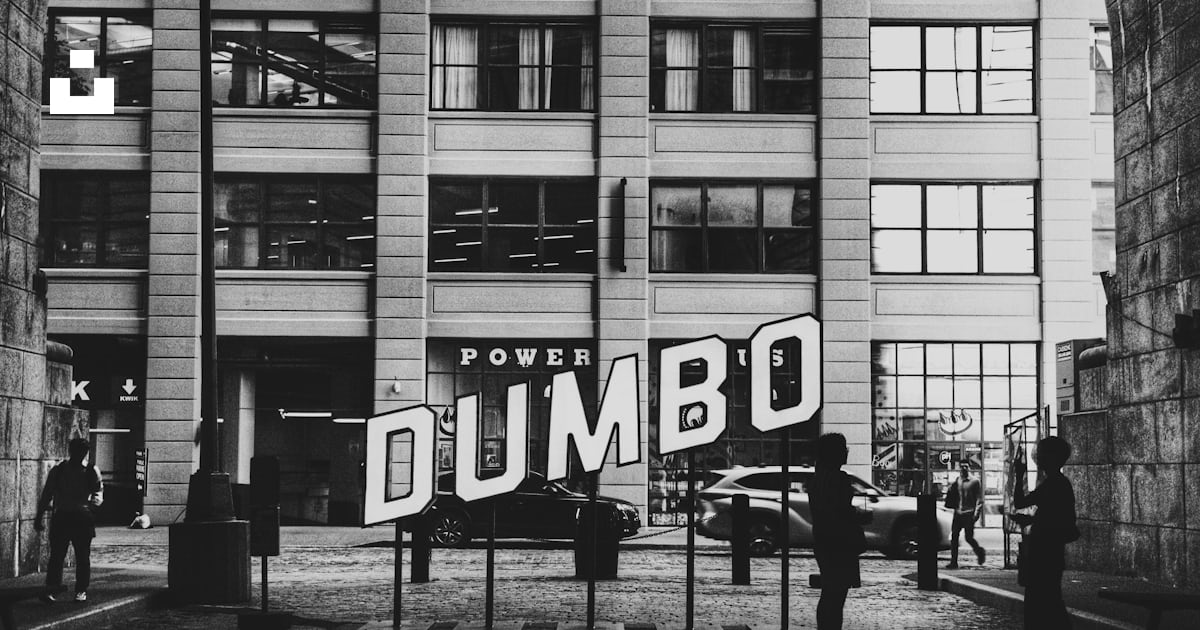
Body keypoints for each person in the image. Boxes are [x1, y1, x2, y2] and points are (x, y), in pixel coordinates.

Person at [1011, 436, 1078, 630]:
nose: (1038, 459)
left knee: (1040, 601)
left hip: (1044, 551)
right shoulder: (1058, 483)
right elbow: (1055, 515)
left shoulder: (1054, 484)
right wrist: (1032, 520)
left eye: (1041, 455)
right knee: (1050, 600)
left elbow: (1020, 502)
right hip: (1050, 550)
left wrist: (1019, 475)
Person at [808, 433, 868, 630]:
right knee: (836, 595)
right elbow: (841, 511)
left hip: (824, 540)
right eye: (844, 448)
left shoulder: (818, 479)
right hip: (841, 544)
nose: (847, 452)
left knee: (829, 593)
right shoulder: (838, 479)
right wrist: (859, 516)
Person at [34, 437, 104, 603]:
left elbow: (47, 495)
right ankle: (73, 589)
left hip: (68, 514)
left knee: (69, 555)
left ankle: (70, 588)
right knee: (68, 555)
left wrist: (39, 515)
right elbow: (99, 493)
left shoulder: (63, 470)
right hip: (74, 514)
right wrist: (92, 506)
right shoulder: (88, 470)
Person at [945, 461, 986, 568]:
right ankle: (954, 562)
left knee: (969, 537)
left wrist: (976, 514)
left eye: (966, 466)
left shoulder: (975, 481)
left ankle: (980, 552)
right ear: (959, 468)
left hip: (969, 513)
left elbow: (979, 499)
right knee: (954, 536)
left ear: (969, 468)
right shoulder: (958, 480)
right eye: (962, 466)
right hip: (958, 513)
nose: (963, 468)